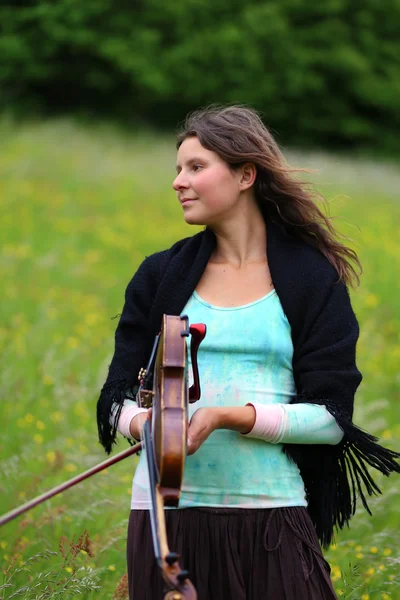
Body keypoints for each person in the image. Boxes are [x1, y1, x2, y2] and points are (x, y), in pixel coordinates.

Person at [96, 105, 400, 600]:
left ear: (245, 174)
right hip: (165, 523)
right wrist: (145, 424)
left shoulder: (311, 279)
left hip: (271, 515)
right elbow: (115, 397)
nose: (178, 181)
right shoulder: (160, 275)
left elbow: (330, 419)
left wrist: (228, 416)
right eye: (177, 169)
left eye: (196, 167)